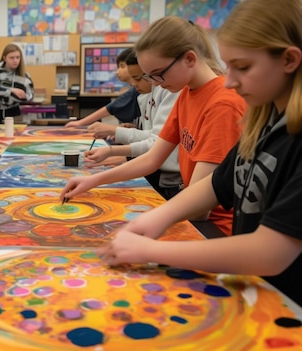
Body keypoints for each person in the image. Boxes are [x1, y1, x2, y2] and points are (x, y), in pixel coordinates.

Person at [97, 0, 302, 306]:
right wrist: (156, 219)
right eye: (229, 66)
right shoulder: (264, 123)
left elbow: (270, 252)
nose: (230, 80)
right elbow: (216, 184)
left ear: (289, 59)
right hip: (255, 292)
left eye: (243, 67)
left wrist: (150, 251)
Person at [61, 16, 247, 236]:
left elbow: (201, 207)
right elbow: (152, 158)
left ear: (189, 59)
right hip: (189, 215)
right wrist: (93, 180)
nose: (155, 84)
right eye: (149, 77)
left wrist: (152, 220)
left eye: (158, 74)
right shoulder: (186, 93)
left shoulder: (222, 104)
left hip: (213, 231)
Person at [84, 51, 183, 200]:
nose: (134, 84)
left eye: (138, 78)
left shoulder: (171, 90)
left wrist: (113, 147)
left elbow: (156, 142)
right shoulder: (154, 90)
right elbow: (155, 135)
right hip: (161, 175)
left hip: (172, 182)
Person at [65, 48, 140, 129]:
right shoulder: (136, 90)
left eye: (122, 66)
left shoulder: (139, 91)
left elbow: (111, 108)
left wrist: (80, 123)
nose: (117, 72)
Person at [0, 43, 34, 123]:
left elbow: (30, 96)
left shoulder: (25, 75)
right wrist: (12, 90)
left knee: (14, 135)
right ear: (5, 58)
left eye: (17, 57)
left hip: (13, 111)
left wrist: (23, 96)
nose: (15, 60)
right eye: (11, 58)